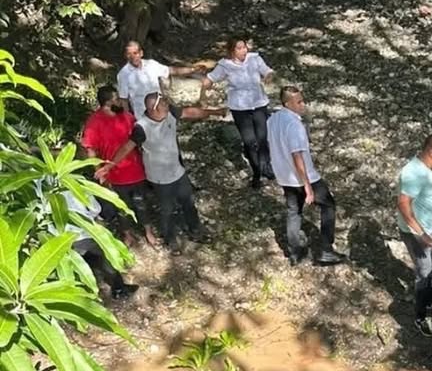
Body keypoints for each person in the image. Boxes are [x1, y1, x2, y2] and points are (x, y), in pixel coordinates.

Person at [106, 91, 226, 251]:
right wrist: (110, 165)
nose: (167, 106)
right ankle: (171, 241)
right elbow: (128, 147)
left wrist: (214, 112)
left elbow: (190, 112)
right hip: (160, 179)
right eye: (163, 105)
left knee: (189, 203)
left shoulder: (170, 113)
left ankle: (196, 231)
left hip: (178, 171)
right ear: (153, 109)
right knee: (167, 210)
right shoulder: (142, 127)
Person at [267, 85, 346, 266]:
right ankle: (326, 249)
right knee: (328, 205)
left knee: (294, 212)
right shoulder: (294, 125)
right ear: (287, 103)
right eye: (299, 102)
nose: (303, 105)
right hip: (305, 177)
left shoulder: (273, 119)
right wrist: (307, 186)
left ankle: (295, 252)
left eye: (303, 100)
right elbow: (297, 156)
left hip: (284, 176)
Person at [37, 164, 138, 301]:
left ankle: (85, 296)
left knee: (73, 266)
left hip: (57, 238)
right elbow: (94, 209)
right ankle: (118, 288)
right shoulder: (78, 187)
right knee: (107, 253)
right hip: (83, 232)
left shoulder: (39, 187)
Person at [81, 86, 158, 246]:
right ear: (108, 102)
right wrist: (99, 173)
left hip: (136, 170)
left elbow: (138, 137)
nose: (120, 102)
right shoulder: (94, 123)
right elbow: (90, 150)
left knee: (141, 203)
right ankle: (127, 234)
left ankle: (148, 231)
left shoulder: (126, 116)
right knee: (122, 207)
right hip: (114, 175)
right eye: (116, 99)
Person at [202, 38, 275, 188]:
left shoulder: (254, 59)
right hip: (240, 108)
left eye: (244, 47)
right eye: (239, 48)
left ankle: (266, 167)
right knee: (250, 141)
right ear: (232, 51)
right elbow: (210, 78)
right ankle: (256, 173)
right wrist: (203, 92)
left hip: (258, 103)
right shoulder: (225, 65)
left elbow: (267, 71)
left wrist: (268, 76)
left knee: (262, 138)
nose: (244, 51)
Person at [396, 135, 432, 333]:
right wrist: (421, 235)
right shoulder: (413, 173)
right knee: (424, 274)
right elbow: (403, 204)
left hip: (428, 228)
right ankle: (422, 316)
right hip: (417, 234)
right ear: (430, 152)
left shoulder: (424, 170)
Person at [116, 41, 203, 120]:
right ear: (125, 56)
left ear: (141, 53)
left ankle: (215, 112)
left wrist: (192, 70)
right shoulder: (123, 74)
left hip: (163, 109)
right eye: (129, 54)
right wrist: (128, 120)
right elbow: (124, 99)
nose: (132, 57)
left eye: (135, 53)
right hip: (144, 116)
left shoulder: (151, 64)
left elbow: (171, 70)